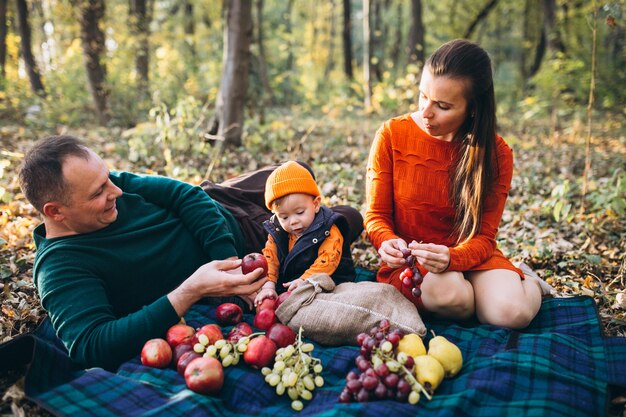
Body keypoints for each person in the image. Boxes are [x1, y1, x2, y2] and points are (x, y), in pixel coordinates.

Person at [18, 136, 362, 370]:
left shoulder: (112, 185)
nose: (117, 190)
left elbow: (187, 196)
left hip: (220, 203)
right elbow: (92, 346)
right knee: (346, 218)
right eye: (99, 193)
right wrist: (190, 291)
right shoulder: (61, 267)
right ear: (55, 211)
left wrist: (226, 266)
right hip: (256, 241)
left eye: (109, 178)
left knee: (296, 171)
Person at [364, 39, 554, 330]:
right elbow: (376, 216)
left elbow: (485, 238)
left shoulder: (496, 154)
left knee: (511, 314)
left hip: (470, 256)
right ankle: (483, 295)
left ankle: (528, 283)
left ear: (473, 109)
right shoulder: (391, 135)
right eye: (422, 96)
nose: (426, 112)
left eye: (442, 105)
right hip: (415, 266)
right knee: (452, 295)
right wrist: (385, 240)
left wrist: (454, 258)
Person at [254, 161, 359, 305]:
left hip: (330, 279)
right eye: (284, 217)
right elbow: (270, 258)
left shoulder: (328, 229)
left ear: (315, 204)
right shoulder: (277, 230)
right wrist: (269, 285)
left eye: (299, 212)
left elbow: (328, 260)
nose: (293, 222)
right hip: (293, 282)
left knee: (324, 304)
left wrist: (305, 280)